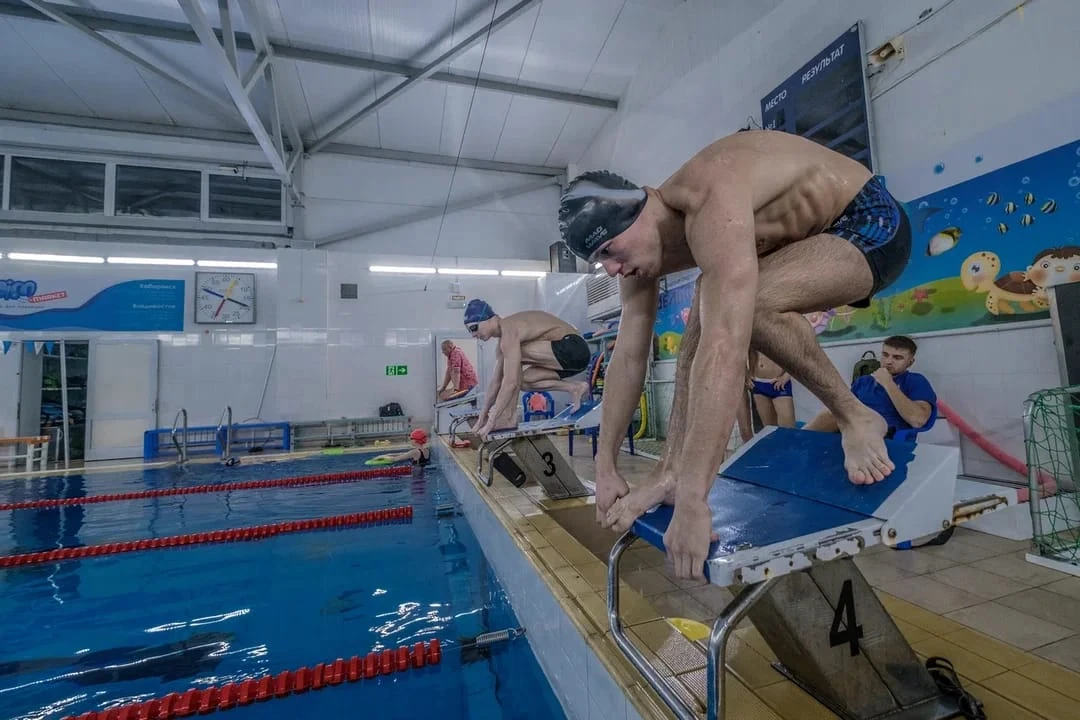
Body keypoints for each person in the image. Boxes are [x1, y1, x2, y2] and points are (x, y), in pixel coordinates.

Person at [557, 129, 912, 579]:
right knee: (712, 297)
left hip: (868, 222)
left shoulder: (708, 199)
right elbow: (628, 358)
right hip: (809, 242)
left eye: (609, 250)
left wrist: (694, 501)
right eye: (598, 260)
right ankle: (668, 471)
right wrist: (605, 465)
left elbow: (724, 348)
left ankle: (855, 415)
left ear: (643, 206)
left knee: (747, 305)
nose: (610, 268)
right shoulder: (638, 261)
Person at [464, 299, 592, 439]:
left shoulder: (509, 329)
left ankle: (509, 417)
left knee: (515, 362)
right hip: (568, 361)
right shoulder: (504, 343)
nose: (473, 335)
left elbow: (510, 382)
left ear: (488, 318)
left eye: (474, 328)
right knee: (524, 381)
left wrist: (492, 419)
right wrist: (483, 417)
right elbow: (495, 383)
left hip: (575, 347)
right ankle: (574, 388)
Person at [806, 336, 936, 438]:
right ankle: (795, 443)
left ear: (910, 362)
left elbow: (918, 420)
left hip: (886, 434)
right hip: (853, 430)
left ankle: (794, 443)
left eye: (897, 358)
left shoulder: (915, 380)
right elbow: (845, 408)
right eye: (885, 355)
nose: (888, 361)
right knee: (831, 412)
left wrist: (888, 383)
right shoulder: (864, 381)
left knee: (831, 417)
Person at [749, 351, 795, 428]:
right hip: (758, 383)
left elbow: (797, 354)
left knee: (788, 430)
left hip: (780, 384)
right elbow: (742, 352)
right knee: (769, 429)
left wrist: (787, 376)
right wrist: (746, 374)